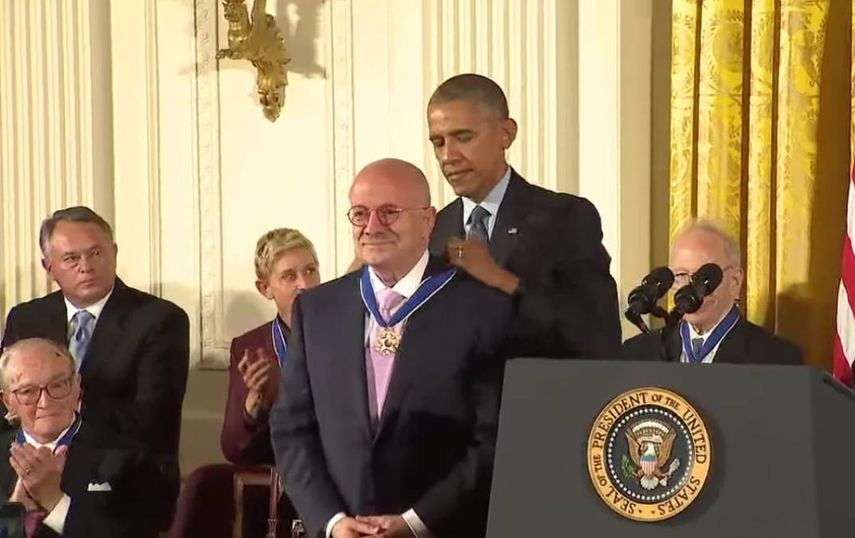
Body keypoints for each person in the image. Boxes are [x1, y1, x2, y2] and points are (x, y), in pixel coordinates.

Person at [270, 159, 512, 538]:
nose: (372, 227)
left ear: (428, 220)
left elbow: (493, 437)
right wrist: (331, 521)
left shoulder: (481, 309)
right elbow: (292, 428)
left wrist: (416, 521)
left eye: (389, 213)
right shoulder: (317, 309)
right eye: (360, 214)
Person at [0, 206, 190, 530]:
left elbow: (152, 418)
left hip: (118, 477)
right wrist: (29, 459)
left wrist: (58, 439)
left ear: (114, 253)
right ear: (49, 267)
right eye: (71, 259)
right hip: (25, 465)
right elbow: (10, 403)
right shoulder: (26, 318)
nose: (86, 267)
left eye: (96, 253)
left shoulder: (160, 319)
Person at [426, 73, 621, 359]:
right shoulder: (431, 230)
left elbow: (597, 336)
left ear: (506, 133)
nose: (448, 156)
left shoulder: (566, 218)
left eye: (463, 137)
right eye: (438, 143)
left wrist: (502, 280)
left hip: (536, 399)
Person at [170, 228, 319, 538]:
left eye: (310, 270)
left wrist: (287, 396)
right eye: (289, 276)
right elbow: (234, 449)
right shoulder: (252, 346)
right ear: (265, 288)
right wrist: (254, 406)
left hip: (331, 463)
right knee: (204, 482)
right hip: (277, 466)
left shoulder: (346, 331)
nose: (305, 284)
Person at [0, 338, 163, 537]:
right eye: (28, 391)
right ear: (7, 401)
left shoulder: (130, 458)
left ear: (77, 386)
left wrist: (55, 501)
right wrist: (13, 515)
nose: (45, 402)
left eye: (57, 385)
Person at [622, 221, 803, 365]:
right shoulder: (636, 354)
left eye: (704, 278)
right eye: (681, 275)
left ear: (735, 281)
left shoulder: (777, 358)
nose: (690, 289)